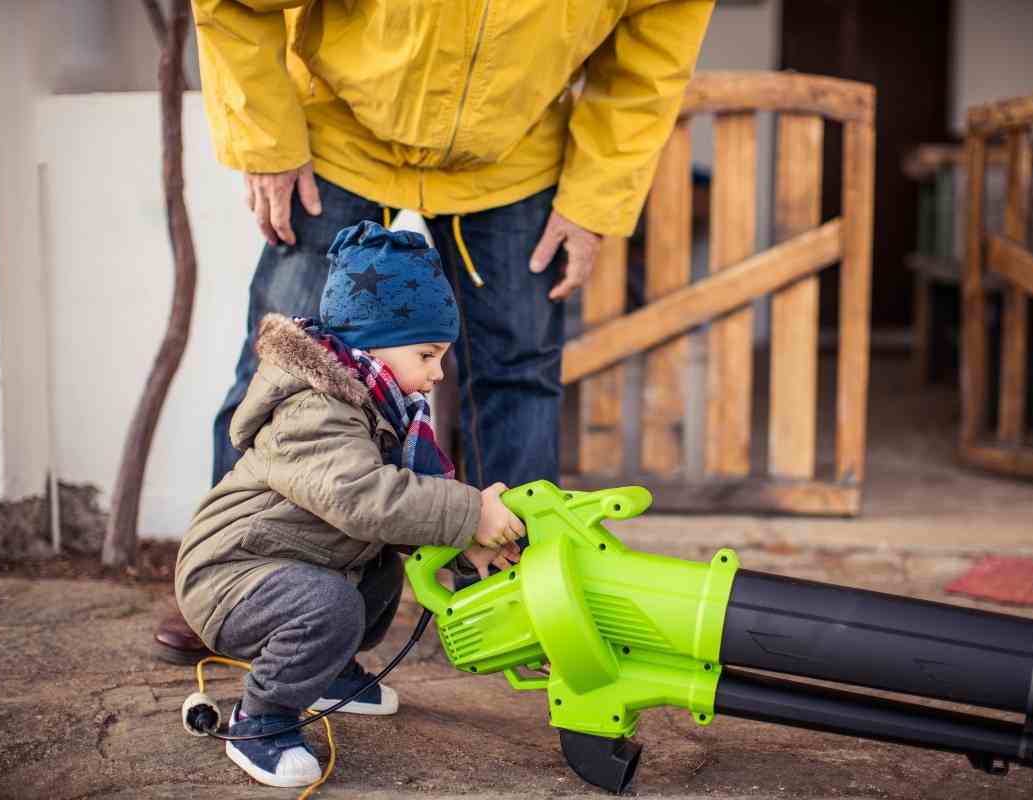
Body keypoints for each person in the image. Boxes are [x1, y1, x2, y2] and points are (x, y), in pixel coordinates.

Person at [155, 0, 714, 662]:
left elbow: (652, 56)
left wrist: (595, 199)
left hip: (515, 156)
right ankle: (233, 590)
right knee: (287, 371)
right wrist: (266, 140)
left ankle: (515, 599)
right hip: (340, 135)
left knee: (519, 370)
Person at [175, 223, 524, 787]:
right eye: (427, 354)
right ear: (372, 344)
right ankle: (261, 719)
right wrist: (468, 513)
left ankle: (328, 671)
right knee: (330, 601)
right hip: (232, 575)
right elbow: (360, 497)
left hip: (291, 560)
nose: (437, 374)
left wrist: (468, 544)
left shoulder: (388, 411)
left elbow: (410, 510)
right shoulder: (315, 409)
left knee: (381, 562)